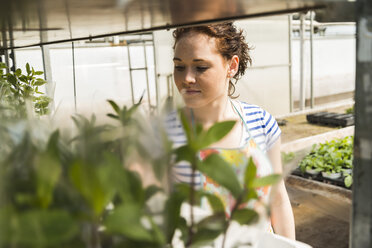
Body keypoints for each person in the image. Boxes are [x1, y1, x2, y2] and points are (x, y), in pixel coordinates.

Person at [165, 22, 295, 239]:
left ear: (231, 66)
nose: (187, 78)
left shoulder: (261, 122)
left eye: (200, 67)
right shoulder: (166, 133)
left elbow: (278, 199)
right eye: (179, 67)